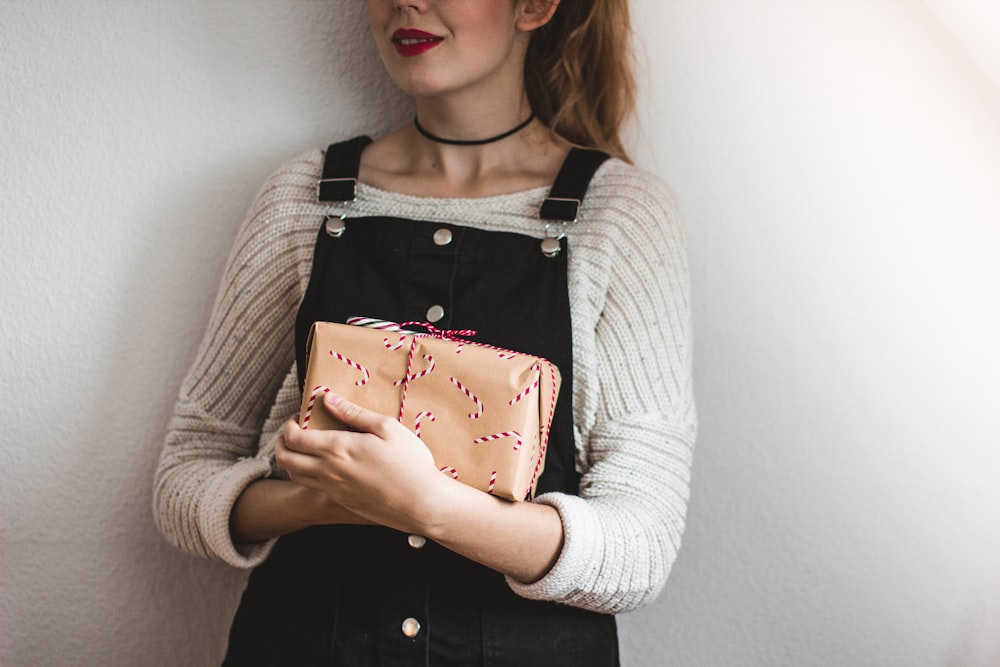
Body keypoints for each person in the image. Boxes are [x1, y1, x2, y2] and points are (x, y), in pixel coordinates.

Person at [153, 0, 695, 664]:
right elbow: (184, 476)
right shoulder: (306, 197)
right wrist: (317, 501)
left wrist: (432, 506)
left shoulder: (620, 217)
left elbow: (643, 545)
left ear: (535, 6)